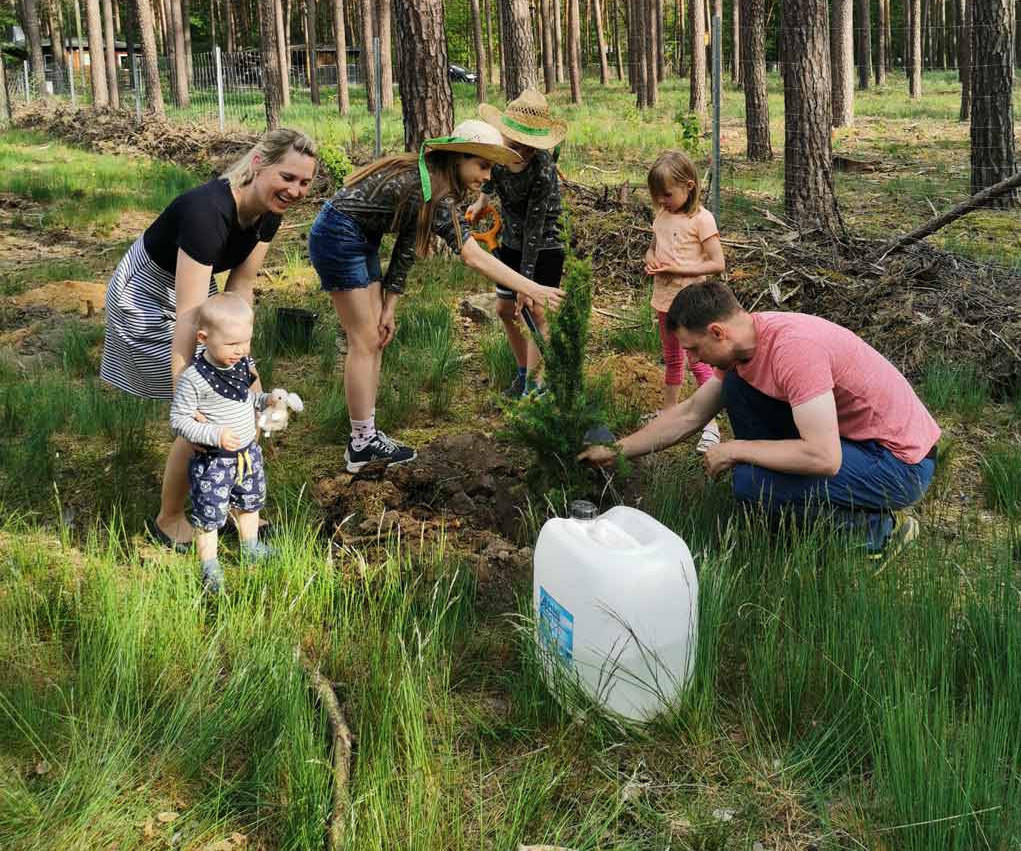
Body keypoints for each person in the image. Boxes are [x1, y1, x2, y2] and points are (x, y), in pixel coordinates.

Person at [580, 281, 939, 557]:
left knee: (751, 481)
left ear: (718, 332)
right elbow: (690, 413)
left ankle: (881, 530)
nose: (694, 358)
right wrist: (616, 450)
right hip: (858, 444)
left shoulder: (793, 351)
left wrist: (738, 450)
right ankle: (780, 512)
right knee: (736, 388)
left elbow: (825, 458)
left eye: (694, 347)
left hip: (899, 465)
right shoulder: (748, 346)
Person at [101, 127, 318, 553]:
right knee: (206, 411)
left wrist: (250, 375)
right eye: (287, 177)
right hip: (145, 298)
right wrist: (186, 383)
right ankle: (169, 519)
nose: (296, 190)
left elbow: (241, 290)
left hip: (195, 297)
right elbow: (188, 315)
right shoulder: (207, 212)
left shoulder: (269, 215)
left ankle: (237, 505)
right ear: (258, 165)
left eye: (305, 182)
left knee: (239, 400)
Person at [309, 119, 565, 473]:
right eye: (483, 166)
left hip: (359, 237)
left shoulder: (432, 182)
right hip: (339, 236)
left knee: (376, 338)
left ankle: (367, 436)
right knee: (363, 341)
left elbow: (408, 245)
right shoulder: (428, 187)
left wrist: (390, 304)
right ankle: (361, 444)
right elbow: (472, 254)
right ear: (460, 157)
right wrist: (531, 286)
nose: (488, 177)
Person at [170, 292, 289, 594]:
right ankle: (209, 566)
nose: (241, 350)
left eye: (245, 342)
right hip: (215, 461)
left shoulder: (240, 365)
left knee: (250, 503)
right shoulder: (194, 379)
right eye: (232, 344)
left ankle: (251, 546)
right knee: (209, 514)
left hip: (248, 455)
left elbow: (245, 398)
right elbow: (179, 421)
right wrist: (213, 434)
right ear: (203, 338)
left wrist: (267, 400)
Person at [463, 89, 567, 398]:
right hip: (510, 239)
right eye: (513, 140)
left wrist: (526, 284)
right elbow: (491, 180)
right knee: (505, 309)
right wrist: (482, 201)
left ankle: (536, 387)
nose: (519, 147)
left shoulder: (543, 169)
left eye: (526, 144)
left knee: (536, 312)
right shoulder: (497, 156)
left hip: (544, 245)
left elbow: (535, 229)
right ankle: (523, 375)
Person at [644, 149, 725, 449]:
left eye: (666, 194)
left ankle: (710, 423)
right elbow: (652, 248)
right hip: (664, 300)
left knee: (698, 360)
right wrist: (651, 259)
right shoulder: (662, 215)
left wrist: (680, 268)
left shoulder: (702, 220)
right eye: (657, 196)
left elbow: (717, 263)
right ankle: (669, 413)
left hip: (690, 304)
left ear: (688, 186)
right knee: (672, 358)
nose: (661, 201)